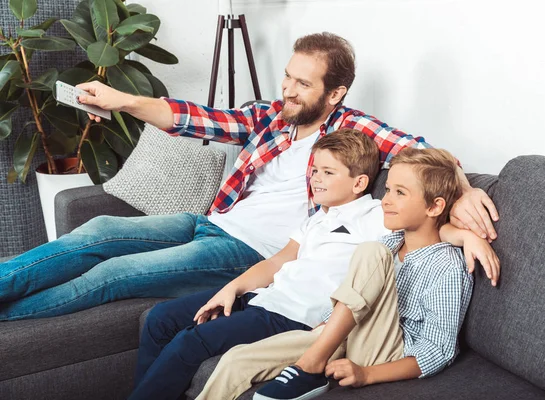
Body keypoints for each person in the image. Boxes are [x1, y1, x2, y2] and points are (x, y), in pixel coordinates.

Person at [0, 32, 498, 321]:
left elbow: (425, 155)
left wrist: (465, 189)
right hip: (214, 223)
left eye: (304, 84)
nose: (289, 89)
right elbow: (195, 118)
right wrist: (123, 100)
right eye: (288, 76)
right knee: (100, 231)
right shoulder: (270, 117)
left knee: (113, 275)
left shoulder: (354, 131)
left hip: (254, 253)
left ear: (336, 93)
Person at [197, 148, 497, 400]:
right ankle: (314, 356)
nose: (387, 200)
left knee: (369, 252)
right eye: (389, 189)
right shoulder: (391, 242)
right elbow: (358, 298)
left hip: (388, 350)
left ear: (435, 207)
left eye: (400, 193)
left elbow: (438, 350)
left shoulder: (445, 265)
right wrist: (329, 324)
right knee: (237, 360)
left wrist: (366, 375)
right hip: (348, 336)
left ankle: (312, 365)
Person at [130, 129, 388, 399]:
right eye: (315, 171)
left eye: (328, 172)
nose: (316, 179)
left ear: (359, 183)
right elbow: (278, 260)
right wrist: (233, 288)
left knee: (191, 341)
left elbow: (426, 232)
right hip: (265, 298)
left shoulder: (376, 216)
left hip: (292, 316)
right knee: (160, 319)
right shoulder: (317, 218)